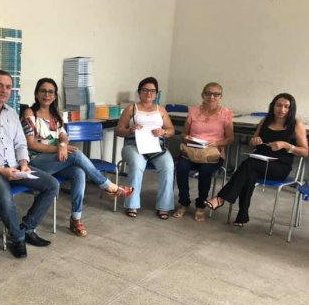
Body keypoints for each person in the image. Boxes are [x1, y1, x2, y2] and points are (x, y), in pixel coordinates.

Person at [0, 70, 59, 259]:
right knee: (5, 197)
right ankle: (17, 238)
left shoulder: (12, 113)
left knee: (52, 184)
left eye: (8, 87)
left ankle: (27, 228)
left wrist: (23, 164)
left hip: (15, 166)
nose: (4, 90)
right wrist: (0, 169)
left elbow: (21, 143)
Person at [22, 78, 133, 237]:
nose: (47, 95)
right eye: (43, 91)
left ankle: (76, 218)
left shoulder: (55, 115)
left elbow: (63, 135)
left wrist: (62, 145)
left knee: (78, 172)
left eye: (51, 92)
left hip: (55, 160)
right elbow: (31, 144)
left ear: (55, 96)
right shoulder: (30, 113)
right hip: (36, 161)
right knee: (75, 154)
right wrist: (59, 148)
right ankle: (107, 185)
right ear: (36, 94)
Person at [205, 93, 308, 226]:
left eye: (286, 107)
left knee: (249, 165)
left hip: (280, 167)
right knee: (250, 173)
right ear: (273, 106)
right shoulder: (264, 121)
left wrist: (286, 145)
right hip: (257, 162)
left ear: (291, 108)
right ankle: (242, 217)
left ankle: (221, 198)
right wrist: (254, 141)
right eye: (279, 105)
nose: (282, 109)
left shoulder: (296, 124)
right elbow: (252, 144)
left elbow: (305, 152)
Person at [115, 77, 175, 219]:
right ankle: (132, 204)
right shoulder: (131, 109)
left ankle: (164, 206)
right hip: (133, 145)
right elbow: (118, 130)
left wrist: (163, 132)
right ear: (139, 92)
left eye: (152, 91)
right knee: (137, 165)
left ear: (156, 94)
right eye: (145, 90)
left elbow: (171, 130)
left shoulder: (161, 110)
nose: (149, 93)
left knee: (168, 166)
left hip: (156, 146)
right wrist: (130, 130)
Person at [173, 82, 234, 221]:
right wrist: (186, 138)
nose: (211, 97)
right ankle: (184, 202)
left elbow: (230, 138)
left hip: (212, 154)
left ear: (221, 97)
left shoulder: (225, 114)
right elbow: (183, 134)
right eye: (208, 93)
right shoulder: (193, 111)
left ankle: (200, 205)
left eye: (216, 94)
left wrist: (216, 143)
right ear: (202, 95)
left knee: (205, 170)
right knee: (181, 167)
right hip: (192, 151)